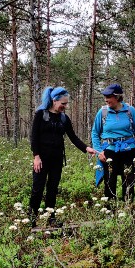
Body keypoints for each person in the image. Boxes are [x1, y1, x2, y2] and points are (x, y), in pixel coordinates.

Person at [29, 86, 96, 227]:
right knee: (37, 189)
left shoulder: (64, 118)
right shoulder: (40, 114)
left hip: (57, 160)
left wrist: (86, 148)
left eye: (66, 104)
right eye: (63, 104)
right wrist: (36, 156)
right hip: (41, 160)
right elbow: (34, 138)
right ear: (54, 101)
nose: (65, 106)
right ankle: (31, 219)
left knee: (52, 189)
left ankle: (50, 219)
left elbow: (73, 137)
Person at [91, 83, 135, 202]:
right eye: (105, 97)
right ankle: (110, 212)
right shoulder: (102, 112)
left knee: (129, 182)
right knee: (109, 182)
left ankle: (129, 209)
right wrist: (99, 151)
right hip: (109, 152)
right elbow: (95, 133)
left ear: (117, 97)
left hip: (129, 151)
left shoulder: (130, 110)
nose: (106, 100)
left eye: (109, 97)